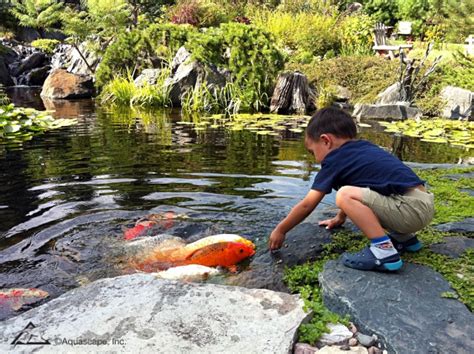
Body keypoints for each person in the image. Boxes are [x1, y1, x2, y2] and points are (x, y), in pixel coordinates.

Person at [268, 107, 434, 271]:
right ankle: (405, 239)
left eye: (312, 152)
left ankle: (384, 253)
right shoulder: (363, 148)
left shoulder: (334, 159)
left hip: (409, 210)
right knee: (356, 193)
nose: (316, 159)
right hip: (422, 203)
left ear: (326, 141)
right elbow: (365, 189)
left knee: (344, 195)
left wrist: (280, 230)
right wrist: (340, 217)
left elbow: (307, 205)